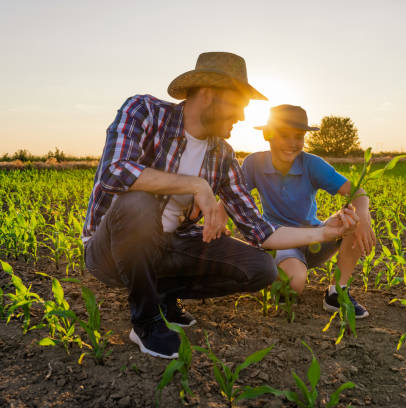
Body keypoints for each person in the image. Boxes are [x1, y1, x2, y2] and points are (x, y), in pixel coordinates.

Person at [82, 52, 358, 359]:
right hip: (109, 250)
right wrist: (195, 185)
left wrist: (324, 233)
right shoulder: (144, 111)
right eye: (238, 105)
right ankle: (146, 322)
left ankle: (162, 295)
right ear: (209, 94)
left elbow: (260, 231)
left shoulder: (222, 154)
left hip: (170, 247)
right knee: (138, 202)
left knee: (261, 268)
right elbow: (113, 172)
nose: (241, 117)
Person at [241, 105, 375, 319]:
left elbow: (357, 191)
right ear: (268, 135)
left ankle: (337, 293)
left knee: (353, 218)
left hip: (314, 237)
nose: (293, 143)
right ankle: (269, 272)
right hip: (280, 240)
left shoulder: (312, 164)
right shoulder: (254, 163)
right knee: (294, 284)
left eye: (299, 136)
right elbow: (232, 198)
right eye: (284, 135)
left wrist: (364, 218)